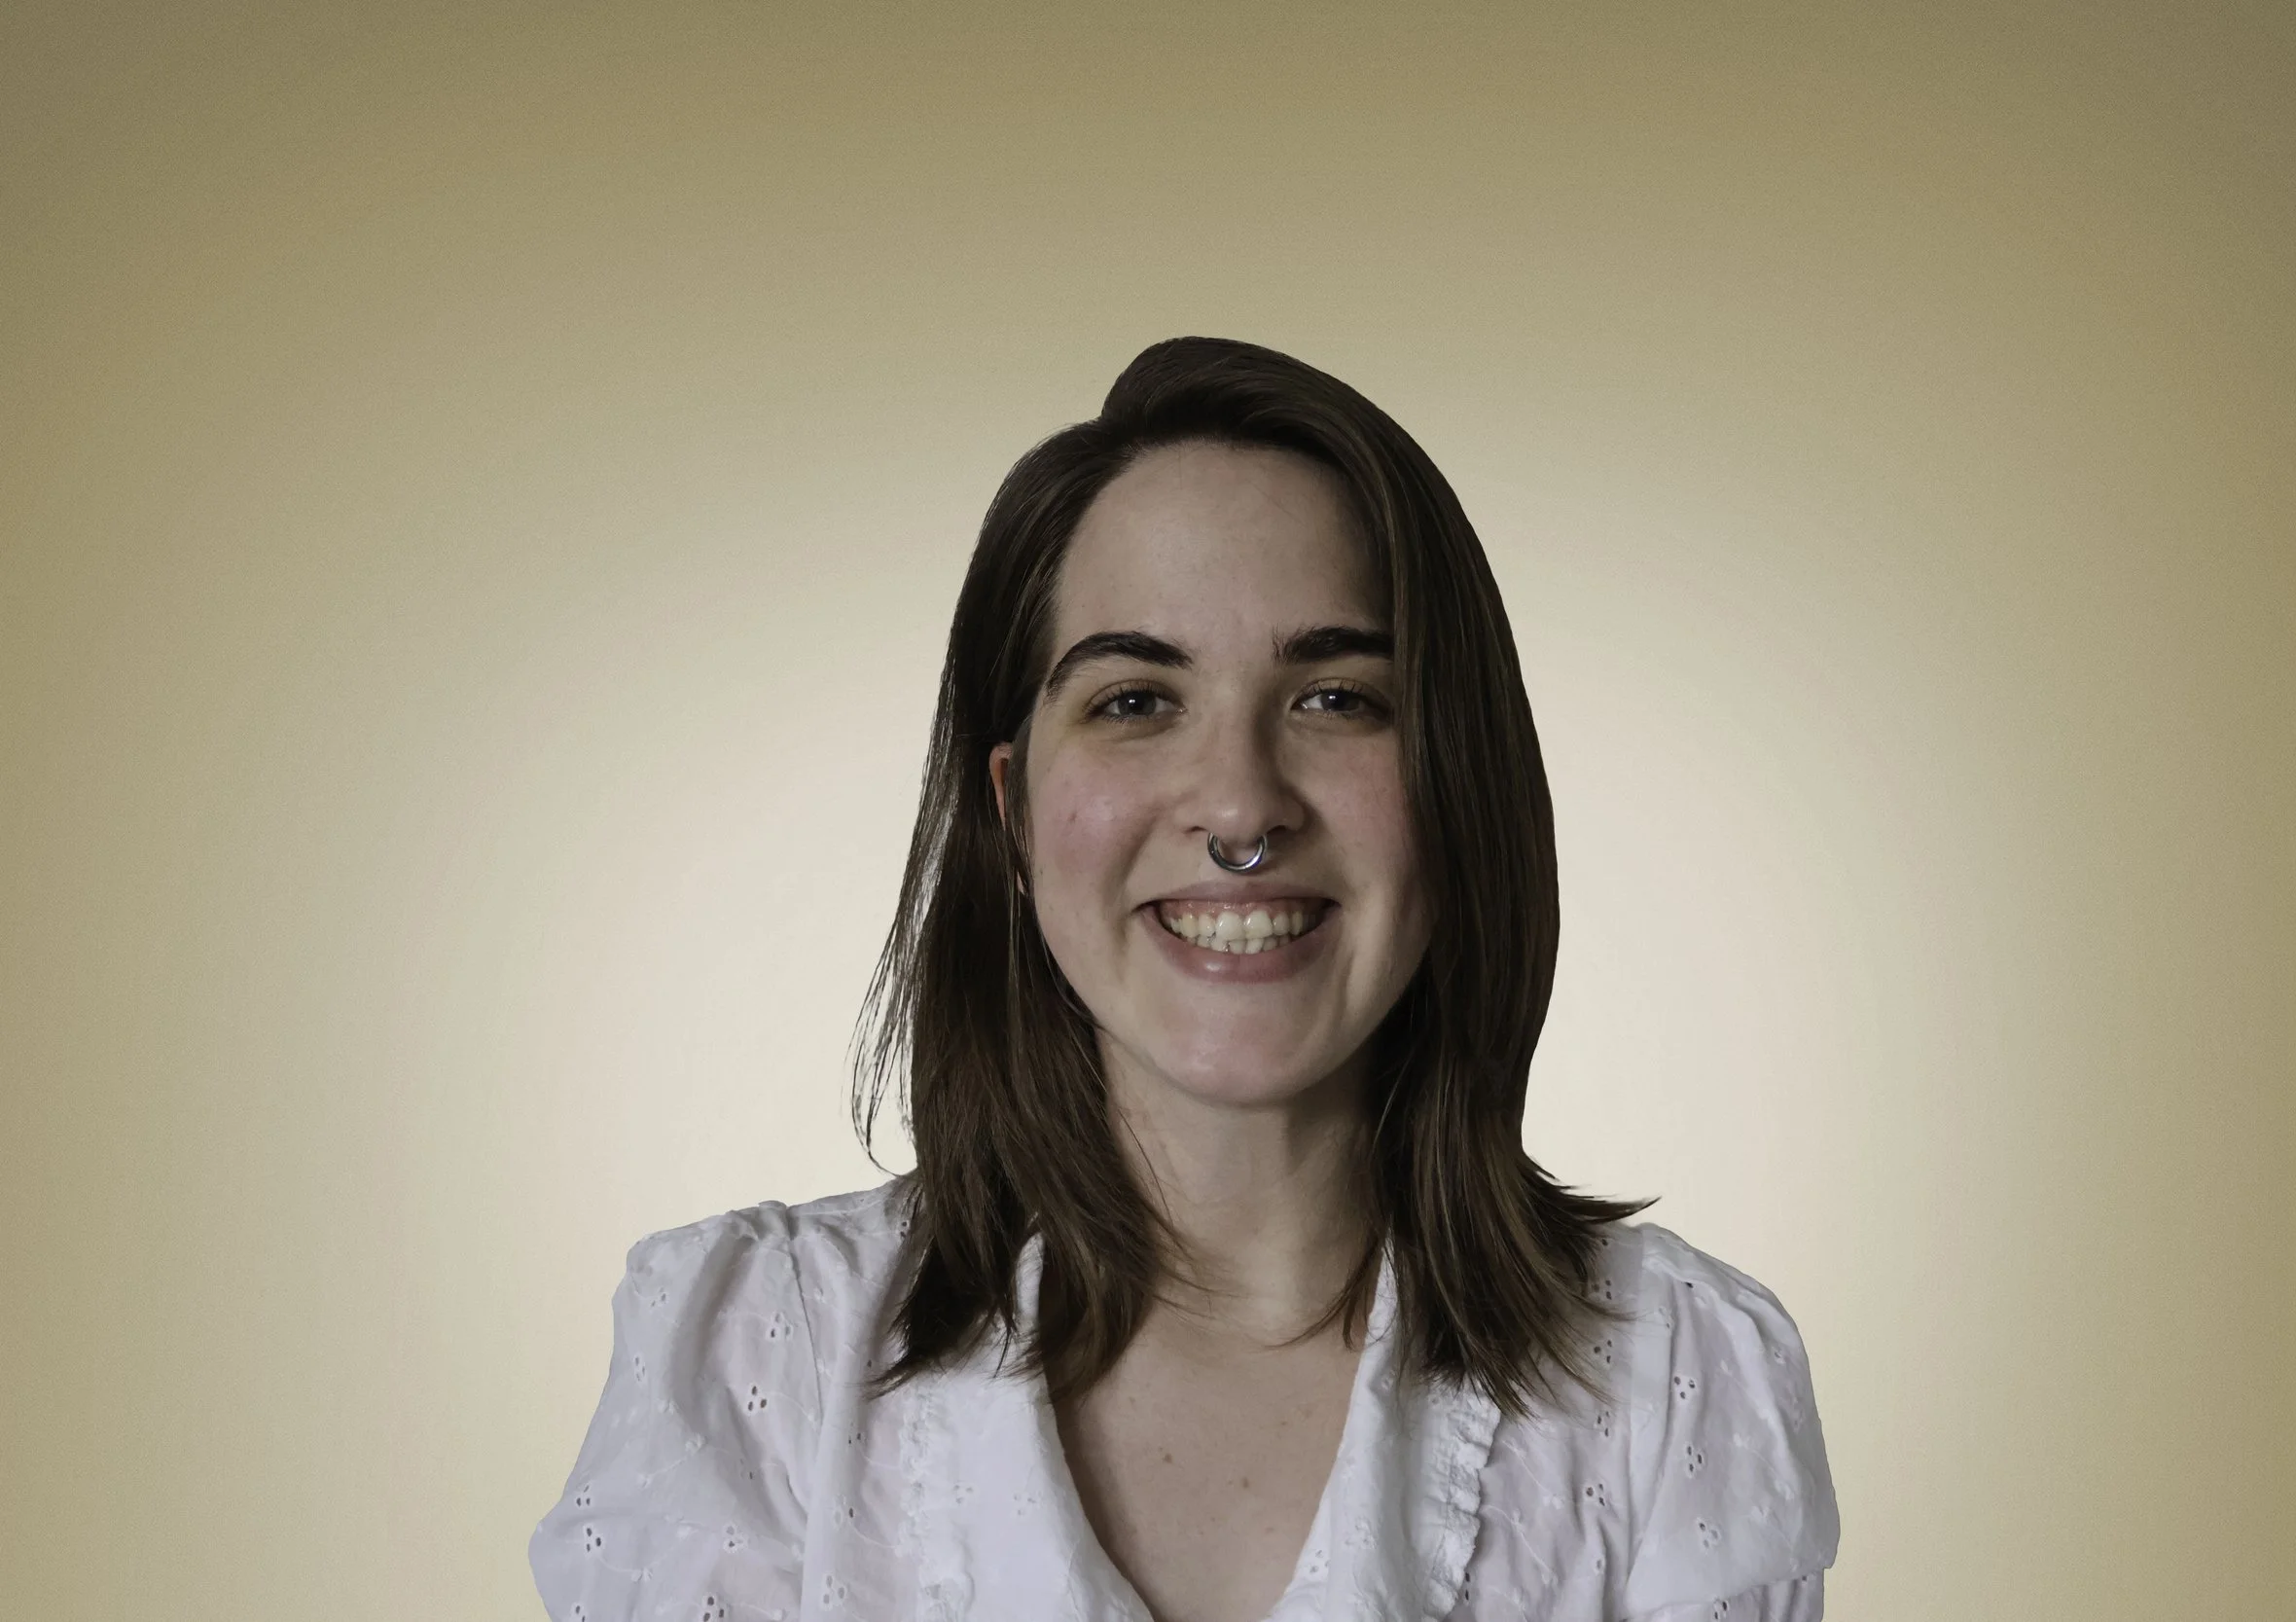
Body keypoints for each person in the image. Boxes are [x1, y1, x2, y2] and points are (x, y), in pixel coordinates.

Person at [529, 337, 1838, 1621]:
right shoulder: (755, 1354)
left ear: (1459, 785)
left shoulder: (1675, 1376)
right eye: (1135, 700)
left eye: (1338, 697)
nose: (1241, 810)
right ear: (1014, 812)